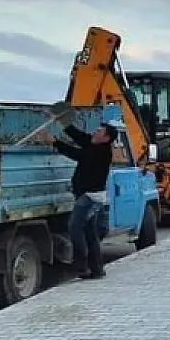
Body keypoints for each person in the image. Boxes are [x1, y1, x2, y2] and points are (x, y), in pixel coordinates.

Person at [44, 112, 120, 279]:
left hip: (90, 197)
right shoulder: (94, 144)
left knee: (74, 227)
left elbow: (78, 154)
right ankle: (97, 270)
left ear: (106, 138)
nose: (95, 132)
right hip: (90, 196)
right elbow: (78, 136)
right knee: (90, 232)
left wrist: (54, 142)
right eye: (96, 130)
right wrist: (60, 119)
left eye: (99, 131)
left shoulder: (102, 153)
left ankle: (81, 265)